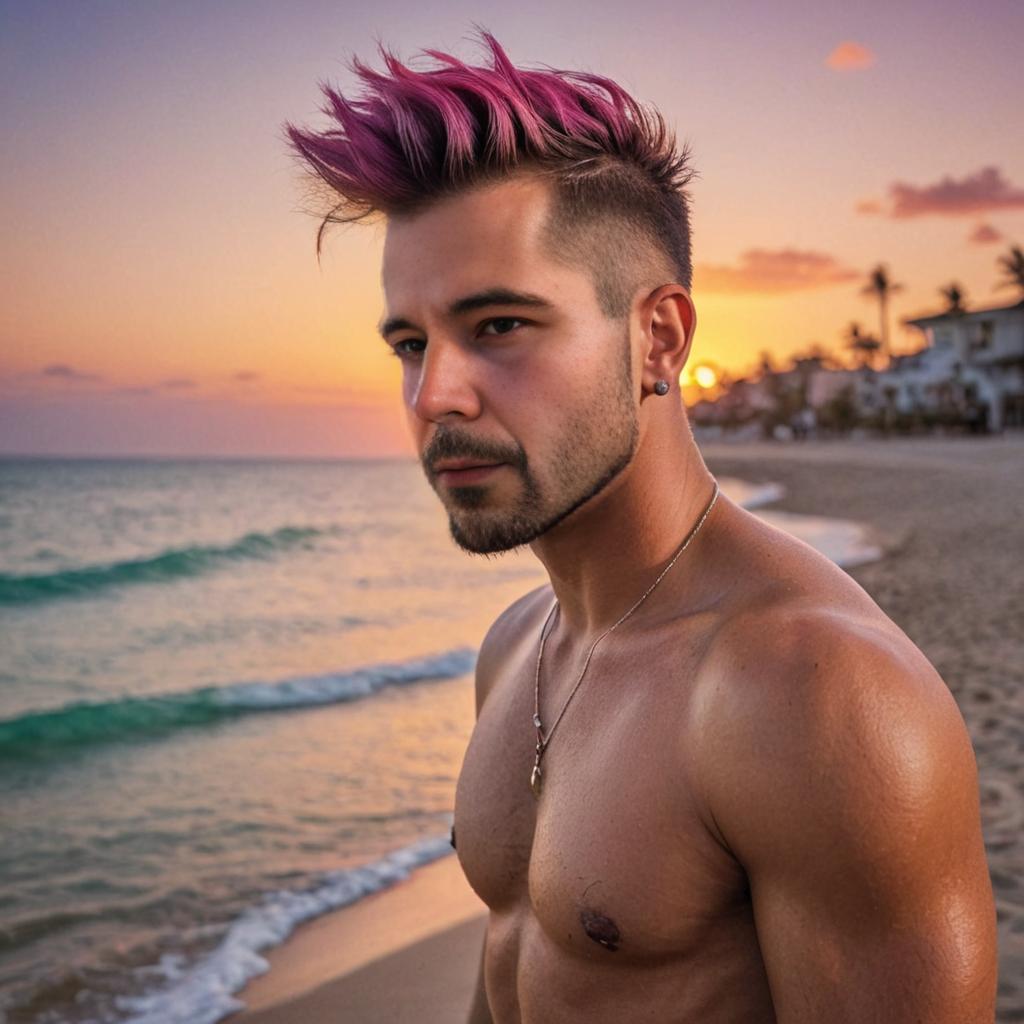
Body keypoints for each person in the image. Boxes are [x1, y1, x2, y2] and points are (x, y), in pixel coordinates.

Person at [284, 32, 998, 1023]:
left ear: (657, 338)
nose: (433, 394)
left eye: (499, 326)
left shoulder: (817, 695)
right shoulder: (514, 648)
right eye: (412, 343)